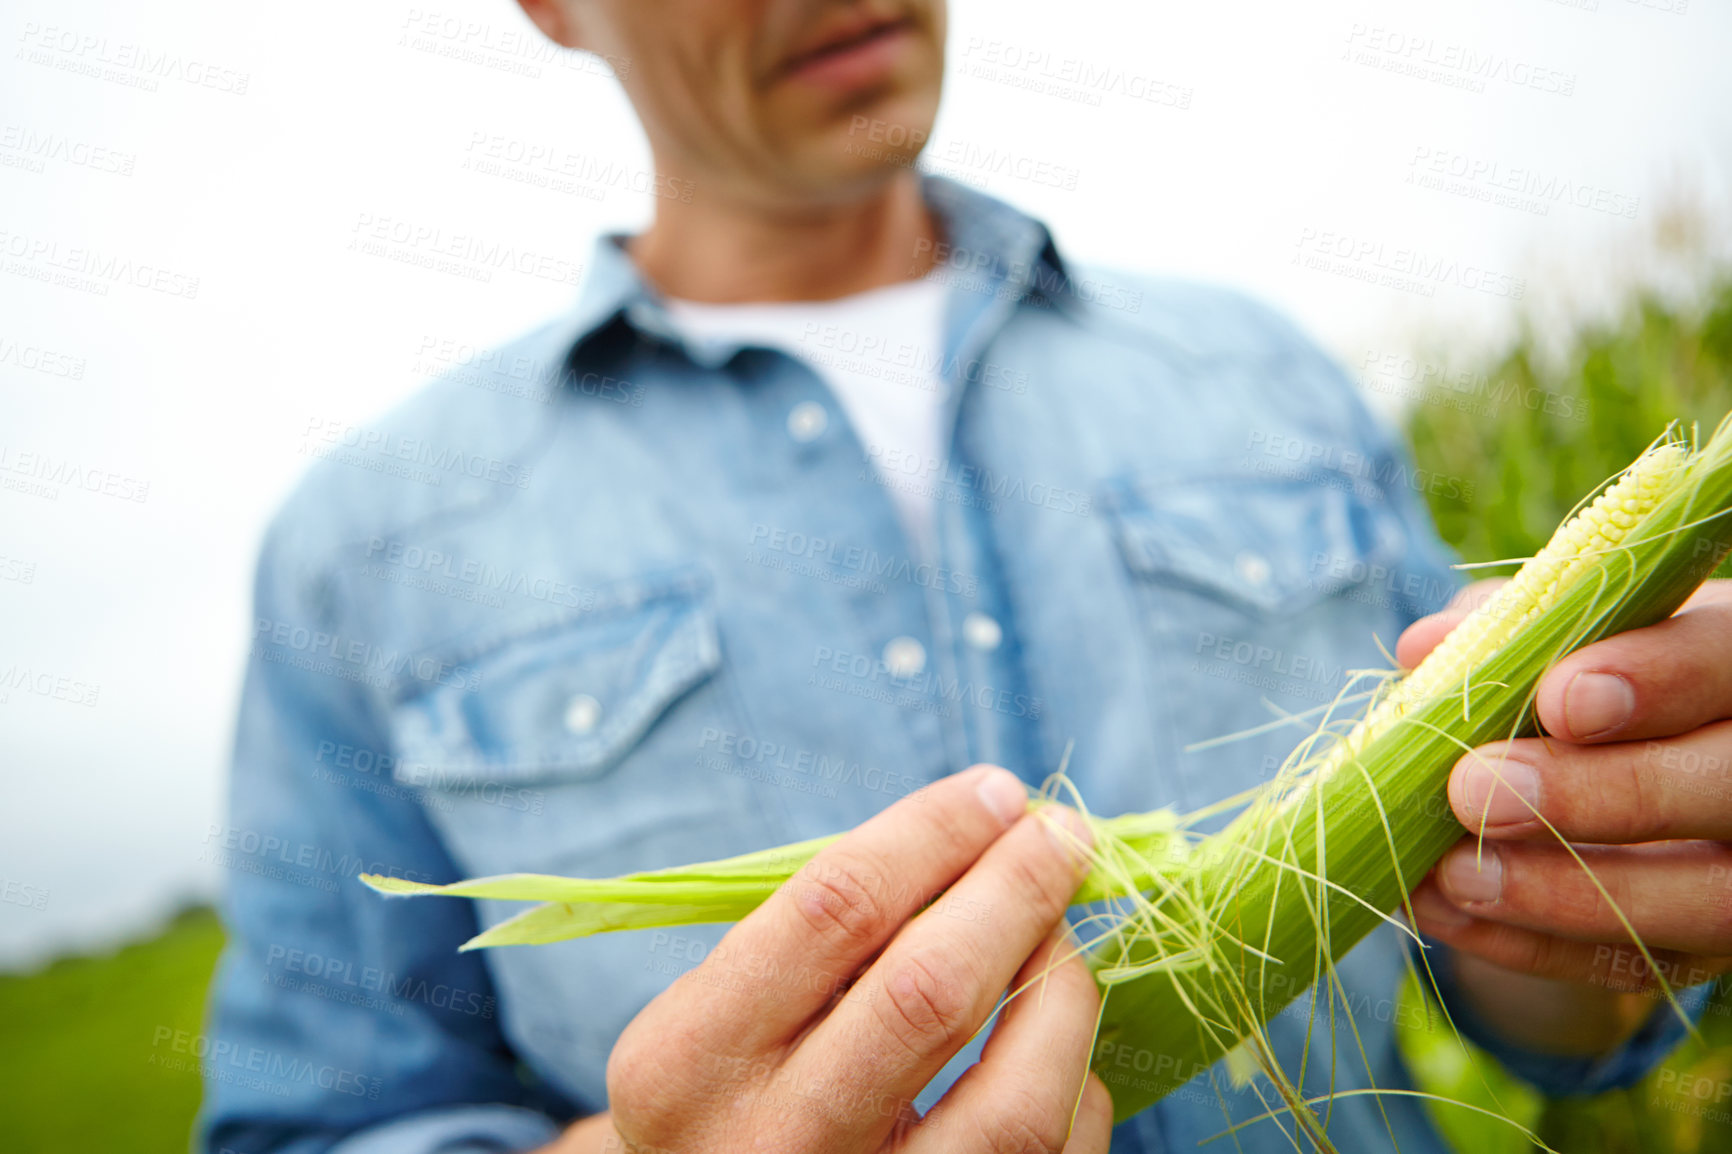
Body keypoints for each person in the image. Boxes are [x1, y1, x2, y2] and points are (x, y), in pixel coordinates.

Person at [200, 2, 1731, 1151]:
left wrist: (1597, 889)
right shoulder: (364, 550)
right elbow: (316, 1115)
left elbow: (1550, 1011)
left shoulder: (1268, 376)